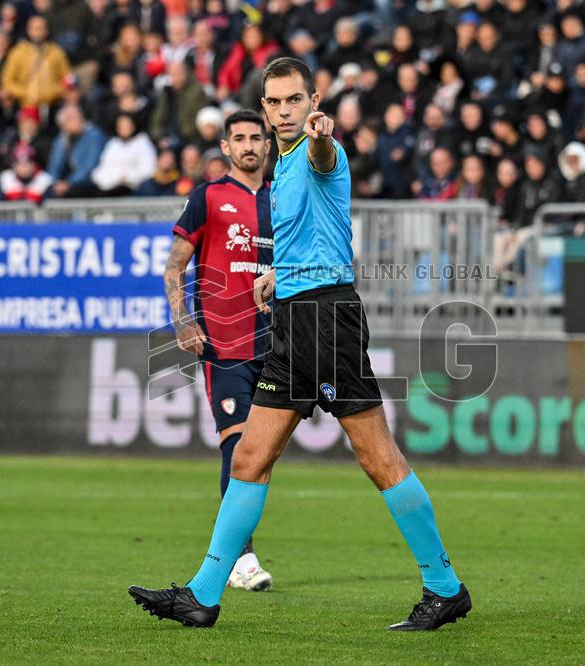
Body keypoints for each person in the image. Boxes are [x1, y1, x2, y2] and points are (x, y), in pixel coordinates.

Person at [128, 57, 470, 631]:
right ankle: (203, 594)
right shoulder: (281, 167)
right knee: (249, 456)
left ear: (314, 101)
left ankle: (444, 587)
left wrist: (322, 138)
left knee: (378, 458)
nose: (286, 111)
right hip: (292, 319)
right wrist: (276, 277)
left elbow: (325, 157)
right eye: (275, 102)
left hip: (327, 320)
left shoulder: (317, 154)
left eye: (295, 100)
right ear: (263, 108)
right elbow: (308, 238)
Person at [158, 108, 275, 593]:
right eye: (239, 139)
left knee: (262, 455)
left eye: (256, 138)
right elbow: (174, 266)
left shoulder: (282, 199)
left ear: (268, 145)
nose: (249, 146)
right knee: (239, 444)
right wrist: (182, 322)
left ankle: (233, 556)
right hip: (223, 344)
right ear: (225, 147)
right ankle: (240, 559)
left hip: (276, 345)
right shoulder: (207, 198)